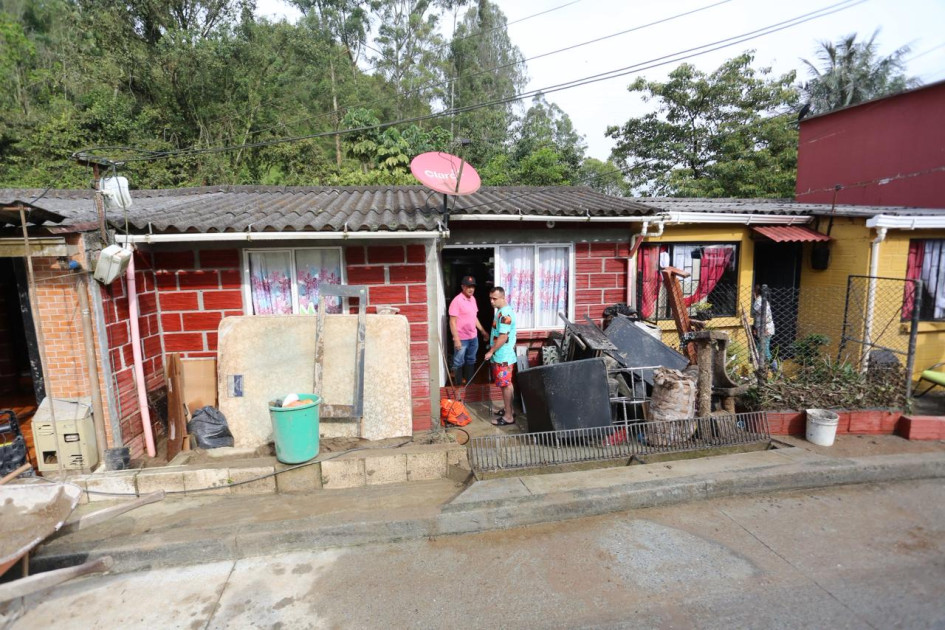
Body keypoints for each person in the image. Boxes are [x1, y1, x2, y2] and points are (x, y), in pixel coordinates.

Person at [484, 287, 517, 426]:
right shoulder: (500, 312)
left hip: (503, 356)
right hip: (502, 355)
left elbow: (503, 337)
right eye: (490, 298)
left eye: (494, 298)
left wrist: (491, 351)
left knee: (505, 386)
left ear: (503, 298)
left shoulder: (505, 315)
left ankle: (509, 416)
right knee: (507, 384)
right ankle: (509, 410)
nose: (491, 301)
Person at [448, 275, 488, 386]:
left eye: (473, 287)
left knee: (471, 360)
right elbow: (452, 322)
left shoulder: (473, 299)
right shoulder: (457, 301)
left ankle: (469, 384)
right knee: (458, 362)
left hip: (473, 337)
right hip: (462, 338)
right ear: (462, 287)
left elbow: (474, 317)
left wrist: (483, 331)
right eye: (468, 286)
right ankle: (458, 386)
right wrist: (456, 339)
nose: (471, 289)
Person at [752, 284, 775, 362]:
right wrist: (755, 328)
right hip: (764, 328)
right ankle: (763, 368)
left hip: (766, 329)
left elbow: (764, 316)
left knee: (765, 351)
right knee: (759, 349)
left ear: (754, 293)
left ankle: (775, 369)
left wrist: (764, 328)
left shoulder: (758, 303)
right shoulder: (762, 301)